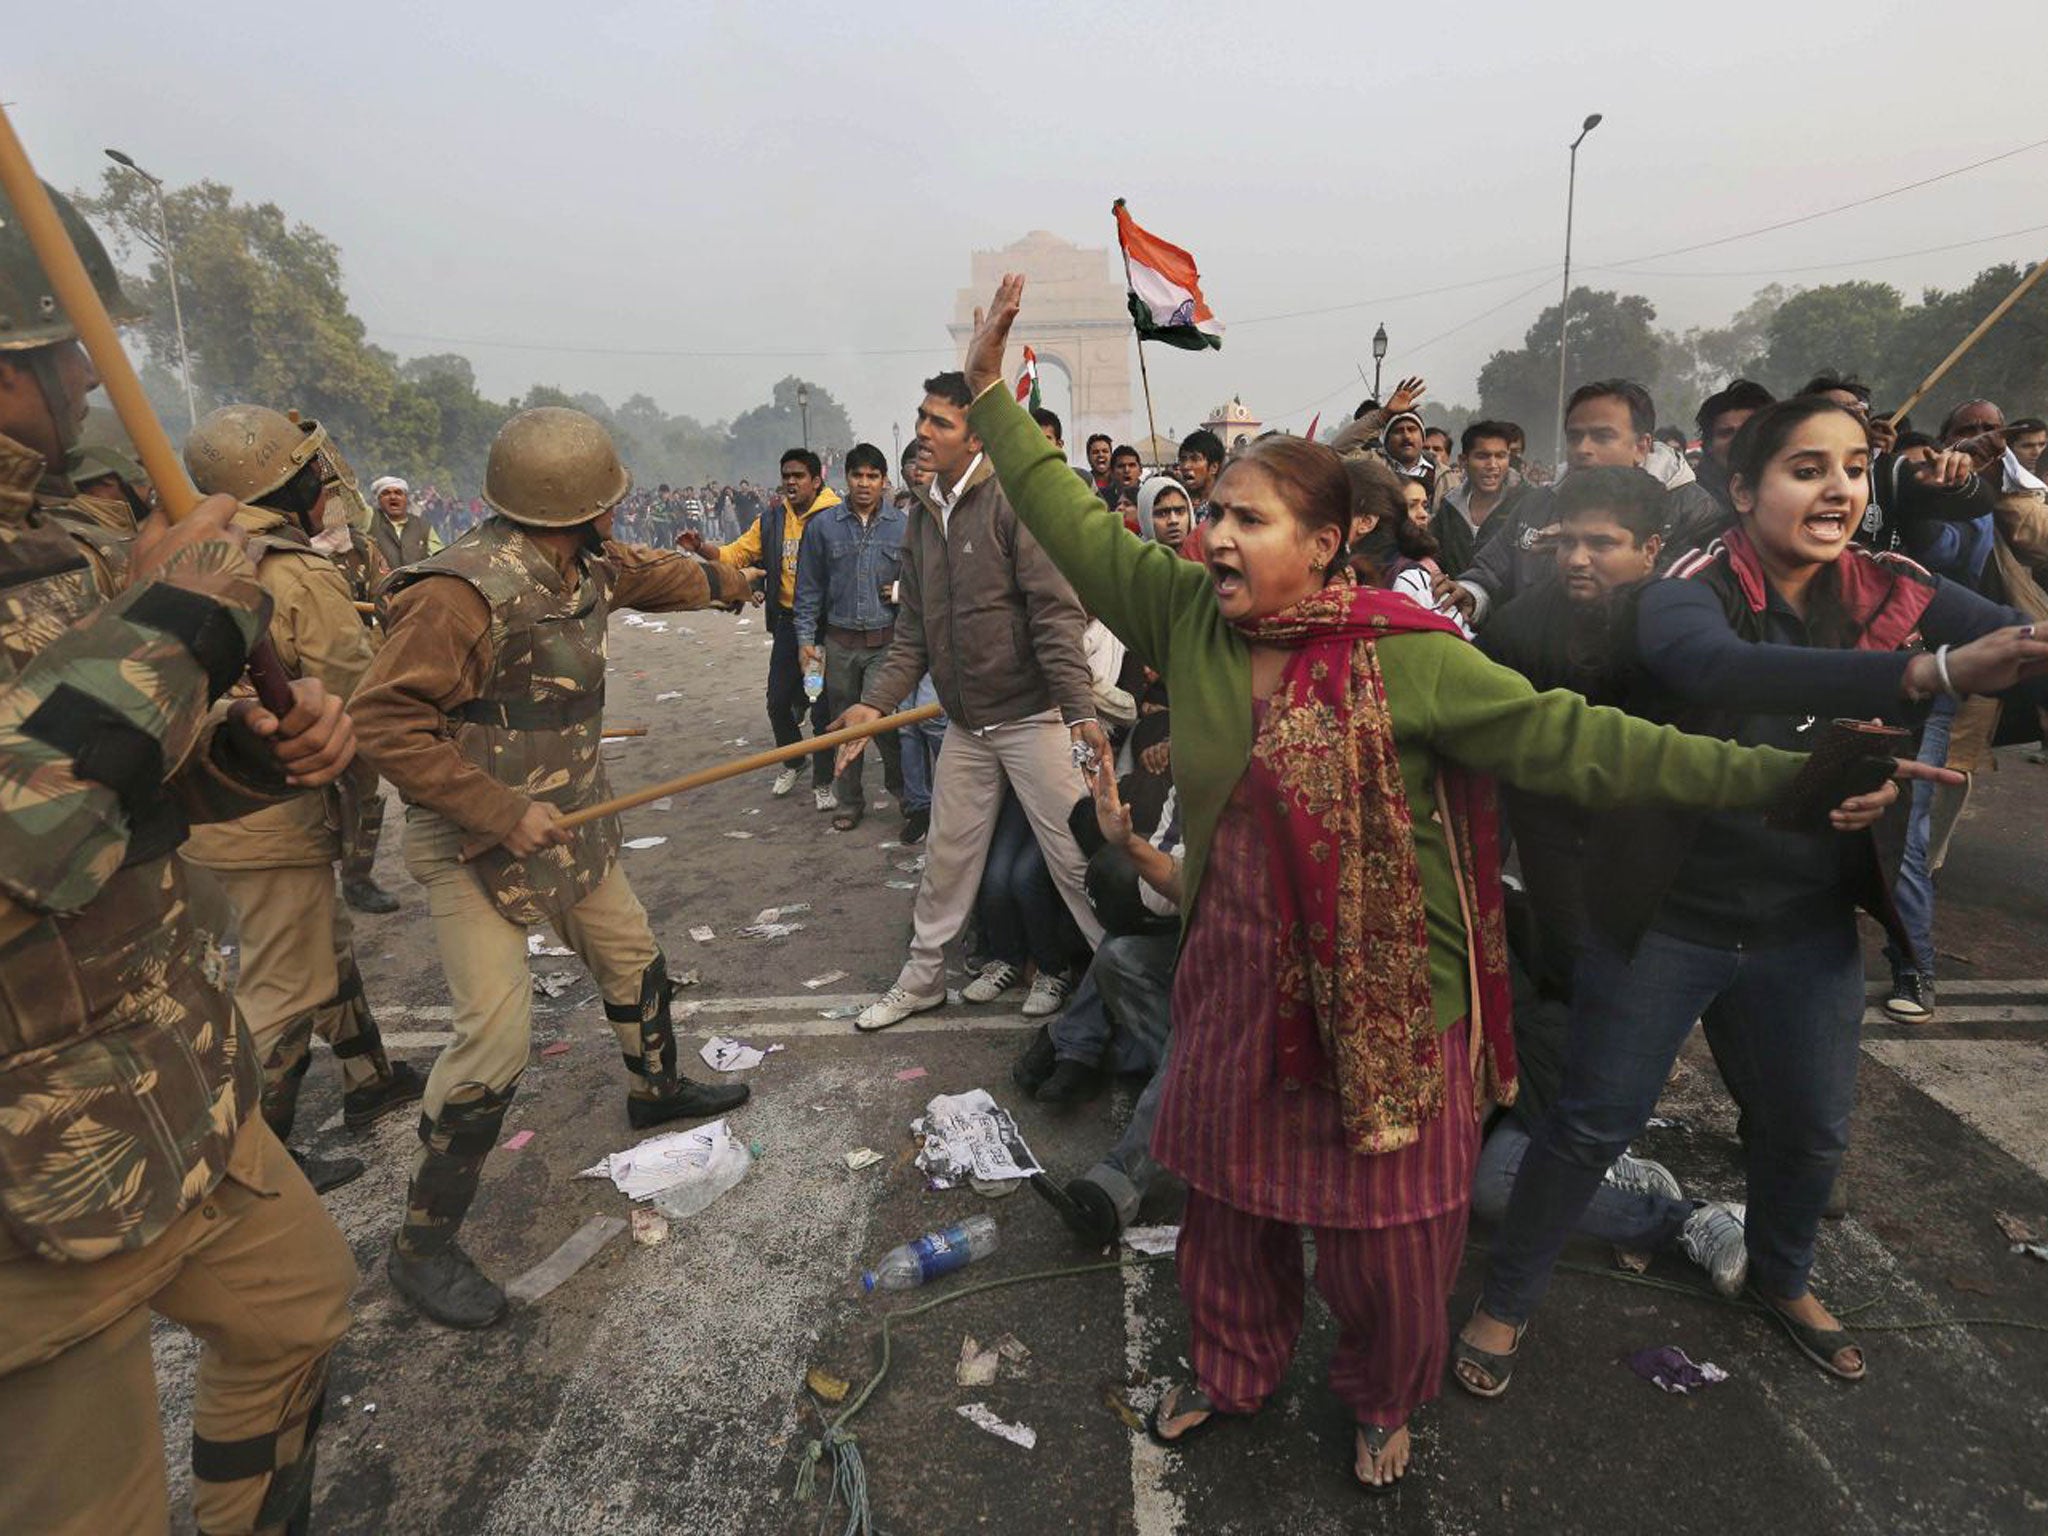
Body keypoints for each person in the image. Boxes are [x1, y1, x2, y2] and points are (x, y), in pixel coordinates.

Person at [955, 273, 1897, 1491]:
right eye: (1214, 516)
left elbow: (1586, 742)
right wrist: (988, 397)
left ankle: (1382, 1394)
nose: (1217, 537)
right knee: (1229, 1218)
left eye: (1250, 520)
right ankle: (1232, 1370)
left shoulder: (1411, 661)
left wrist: (1767, 779)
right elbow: (1070, 525)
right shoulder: (1185, 616)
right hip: (1236, 986)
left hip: (1393, 1008)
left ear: (1328, 541)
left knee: (1389, 1254)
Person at [1462, 397, 2043, 1394]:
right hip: (1663, 911)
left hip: (1802, 922)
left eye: (1854, 469)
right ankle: (1506, 1295)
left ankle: (1780, 1278)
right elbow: (1713, 666)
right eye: (1804, 468)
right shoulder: (1692, 582)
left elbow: (2020, 652)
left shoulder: (1889, 583)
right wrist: (1928, 673)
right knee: (1592, 1123)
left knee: (1808, 1128)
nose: (1836, 490)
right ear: (1741, 489)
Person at [0, 188, 362, 1534]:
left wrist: (257, 748)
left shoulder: (65, 546)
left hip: (170, 1095)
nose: (91, 372)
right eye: (55, 350)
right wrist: (175, 629)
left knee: (299, 1308)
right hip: (29, 1193)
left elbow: (111, 796)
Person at [348, 407, 754, 1328]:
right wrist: (496, 809)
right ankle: (421, 1246)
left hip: (569, 820)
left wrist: (728, 581)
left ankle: (656, 1091)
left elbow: (647, 574)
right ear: (582, 506)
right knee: (493, 1042)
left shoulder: (583, 560)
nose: (616, 516)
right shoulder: (457, 595)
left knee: (633, 955)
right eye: (607, 500)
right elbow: (382, 722)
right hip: (474, 843)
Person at [181, 404, 426, 1191]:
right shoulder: (296, 571)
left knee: (327, 950)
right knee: (284, 986)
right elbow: (364, 698)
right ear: (291, 482)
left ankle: (368, 1079)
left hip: (202, 808)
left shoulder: (191, 557)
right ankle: (243, 1155)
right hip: (272, 817)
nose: (326, 483)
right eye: (313, 470)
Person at [829, 370, 1107, 1033]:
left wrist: (1081, 716)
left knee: (1074, 862)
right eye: (922, 418)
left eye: (940, 423)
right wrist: (871, 709)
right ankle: (922, 979)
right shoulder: (924, 515)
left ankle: (1130, 980)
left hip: (1034, 716)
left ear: (976, 436)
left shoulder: (1014, 502)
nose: (924, 432)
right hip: (967, 725)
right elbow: (912, 638)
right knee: (946, 861)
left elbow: (1053, 619)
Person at [684, 449, 837, 806]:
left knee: (819, 703)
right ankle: (794, 761)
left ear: (816, 481)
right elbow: (734, 555)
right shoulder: (771, 520)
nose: (790, 482)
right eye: (786, 475)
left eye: (798, 476)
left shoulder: (832, 518)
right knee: (777, 702)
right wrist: (701, 548)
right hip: (787, 627)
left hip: (819, 630)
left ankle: (824, 781)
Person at [795, 442, 907, 831]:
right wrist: (805, 641)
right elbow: (807, 590)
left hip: (885, 645)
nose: (864, 483)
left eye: (872, 476)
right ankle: (850, 800)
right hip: (839, 646)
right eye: (858, 475)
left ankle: (904, 792)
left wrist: (899, 589)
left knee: (885, 723)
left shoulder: (902, 526)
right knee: (845, 725)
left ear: (883, 481)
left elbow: (918, 583)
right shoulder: (823, 527)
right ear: (846, 479)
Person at [1430, 420, 1537, 578]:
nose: (1492, 465)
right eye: (1482, 456)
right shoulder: (1448, 507)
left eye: (1500, 456)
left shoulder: (1530, 503)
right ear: (1463, 461)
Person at [1694, 379, 1776, 510]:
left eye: (1748, 430)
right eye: (1726, 433)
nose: (1739, 440)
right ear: (1708, 445)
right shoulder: (1692, 505)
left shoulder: (1797, 491)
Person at [369, 473, 439, 571]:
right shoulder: (369, 521)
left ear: (405, 498)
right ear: (378, 500)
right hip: (382, 584)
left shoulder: (423, 526)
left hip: (418, 583)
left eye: (398, 493)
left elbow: (440, 557)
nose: (393, 497)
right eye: (386, 493)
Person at [1136, 475, 1194, 550]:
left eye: (1180, 511)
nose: (1173, 520)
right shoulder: (1135, 559)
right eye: (1162, 514)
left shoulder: (1205, 556)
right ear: (1145, 518)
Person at [1177, 429, 1225, 520]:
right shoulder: (1177, 505)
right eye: (1183, 459)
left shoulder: (1223, 509)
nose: (1186, 466)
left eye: (1195, 459)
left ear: (1213, 467)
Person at [1085, 432, 1115, 500]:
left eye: (1105, 451)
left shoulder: (1120, 482)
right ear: (1088, 457)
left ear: (1111, 456)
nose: (1101, 455)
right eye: (1095, 452)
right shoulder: (1084, 484)